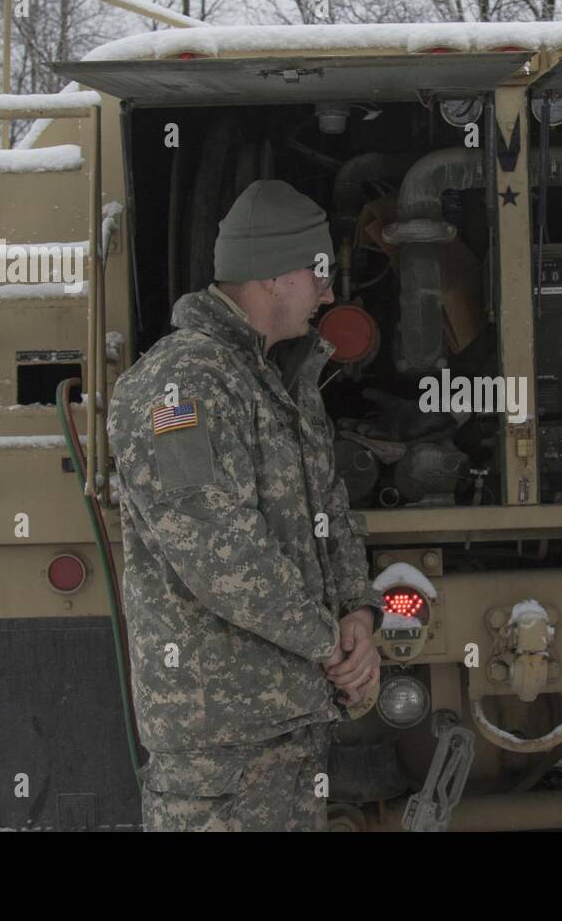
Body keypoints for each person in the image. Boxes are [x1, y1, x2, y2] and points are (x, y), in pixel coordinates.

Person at [107, 179, 384, 831]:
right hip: (219, 743)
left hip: (285, 719)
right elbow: (218, 552)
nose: (330, 293)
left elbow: (329, 513)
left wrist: (359, 618)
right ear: (268, 274)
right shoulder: (183, 382)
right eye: (317, 272)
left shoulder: (274, 379)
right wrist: (330, 646)